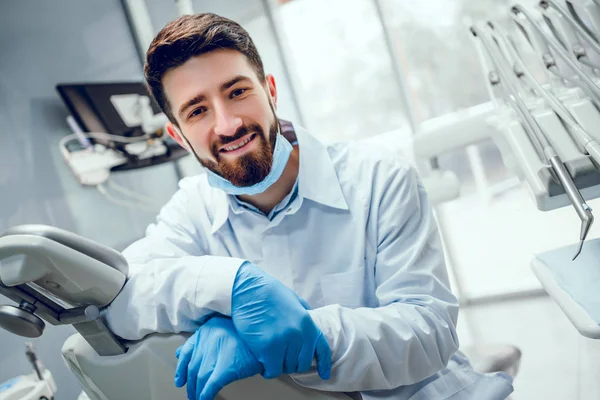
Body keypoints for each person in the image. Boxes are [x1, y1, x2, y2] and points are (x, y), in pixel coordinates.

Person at [105, 13, 514, 400]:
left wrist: (292, 336)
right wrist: (231, 286)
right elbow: (122, 295)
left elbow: (430, 333)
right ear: (179, 136)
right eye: (198, 110)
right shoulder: (191, 209)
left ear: (270, 91)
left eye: (237, 92)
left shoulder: (379, 177)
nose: (227, 124)